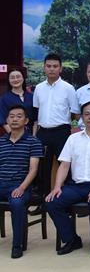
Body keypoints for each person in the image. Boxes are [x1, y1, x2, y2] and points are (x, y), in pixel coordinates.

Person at [45, 101, 90, 256]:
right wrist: (57, 187)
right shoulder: (73, 139)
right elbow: (64, 165)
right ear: (82, 117)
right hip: (76, 186)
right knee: (52, 202)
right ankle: (72, 239)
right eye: (86, 114)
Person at [0, 105, 43, 258]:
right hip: (1, 183)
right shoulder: (1, 141)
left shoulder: (33, 142)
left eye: (19, 116)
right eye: (11, 116)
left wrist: (21, 187)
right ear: (7, 120)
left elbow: (33, 170)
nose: (15, 119)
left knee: (17, 203)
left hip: (20, 185)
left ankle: (17, 245)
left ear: (26, 121)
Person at [32, 53, 80, 190]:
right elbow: (36, 113)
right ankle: (43, 197)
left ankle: (68, 196)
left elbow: (76, 113)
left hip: (62, 133)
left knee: (65, 165)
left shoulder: (68, 88)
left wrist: (73, 130)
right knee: (43, 168)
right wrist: (35, 135)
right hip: (43, 133)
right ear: (44, 68)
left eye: (55, 66)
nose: (52, 69)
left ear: (60, 68)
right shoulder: (39, 88)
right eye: (49, 66)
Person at [0, 67, 36, 133]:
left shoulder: (32, 96)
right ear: (8, 80)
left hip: (31, 134)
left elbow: (35, 120)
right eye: (12, 77)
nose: (15, 79)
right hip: (13, 134)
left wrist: (33, 136)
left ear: (23, 78)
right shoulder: (3, 99)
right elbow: (3, 122)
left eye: (18, 77)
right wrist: (15, 136)